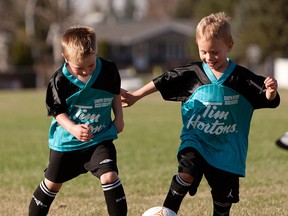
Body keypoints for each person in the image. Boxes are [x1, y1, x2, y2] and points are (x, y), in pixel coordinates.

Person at [121, 12, 280, 215]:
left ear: (229, 46)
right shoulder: (193, 73)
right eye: (203, 51)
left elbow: (270, 100)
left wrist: (271, 92)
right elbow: (163, 80)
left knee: (223, 196)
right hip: (195, 140)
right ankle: (167, 211)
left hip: (227, 149)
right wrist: (136, 95)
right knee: (186, 173)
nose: (208, 57)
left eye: (214, 52)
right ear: (197, 45)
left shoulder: (241, 78)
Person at [29, 26, 127, 216]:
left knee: (109, 176)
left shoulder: (108, 69)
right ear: (66, 58)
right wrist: (73, 128)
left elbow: (115, 93)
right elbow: (56, 112)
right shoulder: (58, 80)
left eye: (90, 65)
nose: (85, 71)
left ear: (95, 54)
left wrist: (119, 119)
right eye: (79, 67)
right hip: (66, 142)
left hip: (100, 137)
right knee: (52, 184)